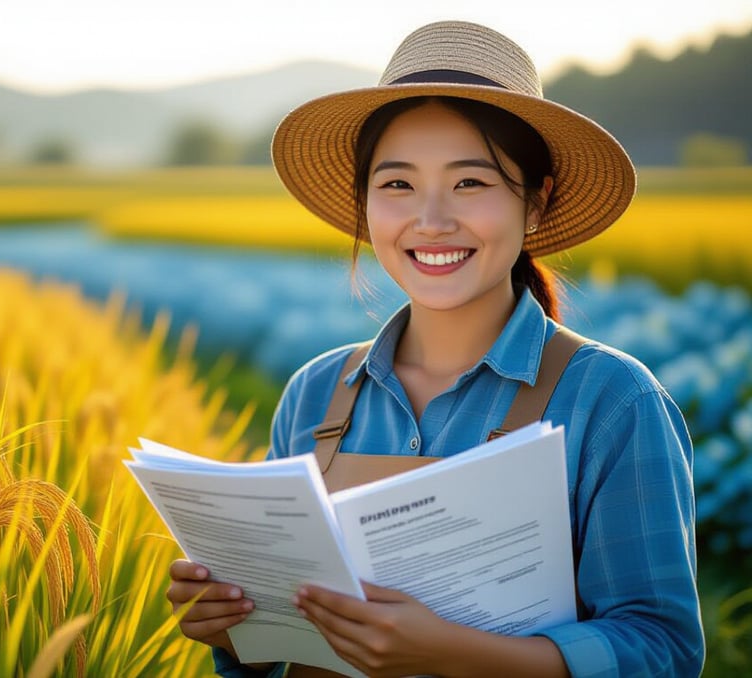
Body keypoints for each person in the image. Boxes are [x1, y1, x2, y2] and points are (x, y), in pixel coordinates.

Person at [164, 20, 704, 677]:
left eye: (470, 183)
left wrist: (447, 652)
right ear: (364, 204)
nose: (432, 220)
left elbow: (664, 649)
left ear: (536, 203)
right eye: (398, 185)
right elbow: (279, 653)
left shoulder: (612, 401)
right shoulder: (315, 393)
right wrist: (235, 632)